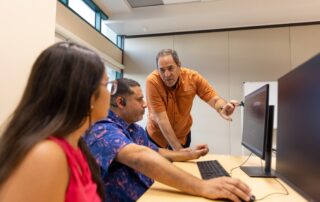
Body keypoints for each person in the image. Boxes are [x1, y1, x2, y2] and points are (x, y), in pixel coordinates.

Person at [85, 78, 252, 202]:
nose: (145, 104)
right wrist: (203, 186)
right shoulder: (102, 128)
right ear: (120, 102)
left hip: (152, 192)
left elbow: (155, 151)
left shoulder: (133, 128)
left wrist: (188, 154)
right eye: (139, 99)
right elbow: (140, 156)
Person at [0, 42, 116, 202]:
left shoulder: (77, 148)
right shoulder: (46, 155)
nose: (111, 94)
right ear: (88, 94)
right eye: (107, 85)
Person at [146, 49, 240, 150]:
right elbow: (162, 120)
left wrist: (223, 107)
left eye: (170, 68)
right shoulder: (152, 82)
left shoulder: (193, 78)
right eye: (162, 70)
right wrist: (179, 151)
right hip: (157, 137)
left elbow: (215, 99)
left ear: (179, 65)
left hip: (182, 136)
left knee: (182, 166)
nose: (167, 74)